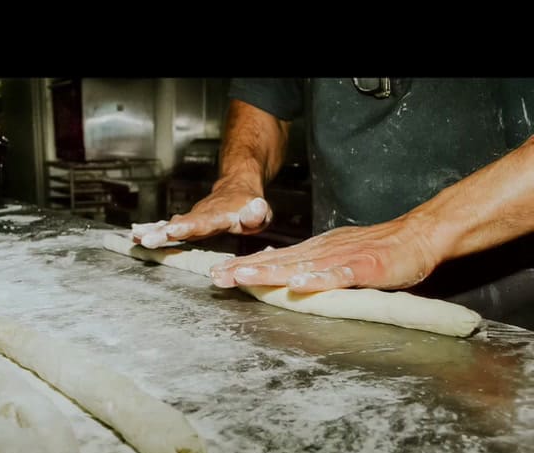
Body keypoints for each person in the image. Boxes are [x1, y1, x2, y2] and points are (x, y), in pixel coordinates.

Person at [133, 78, 534, 328]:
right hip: (329, 288)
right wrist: (238, 179)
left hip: (513, 299)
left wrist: (421, 236)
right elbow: (265, 98)